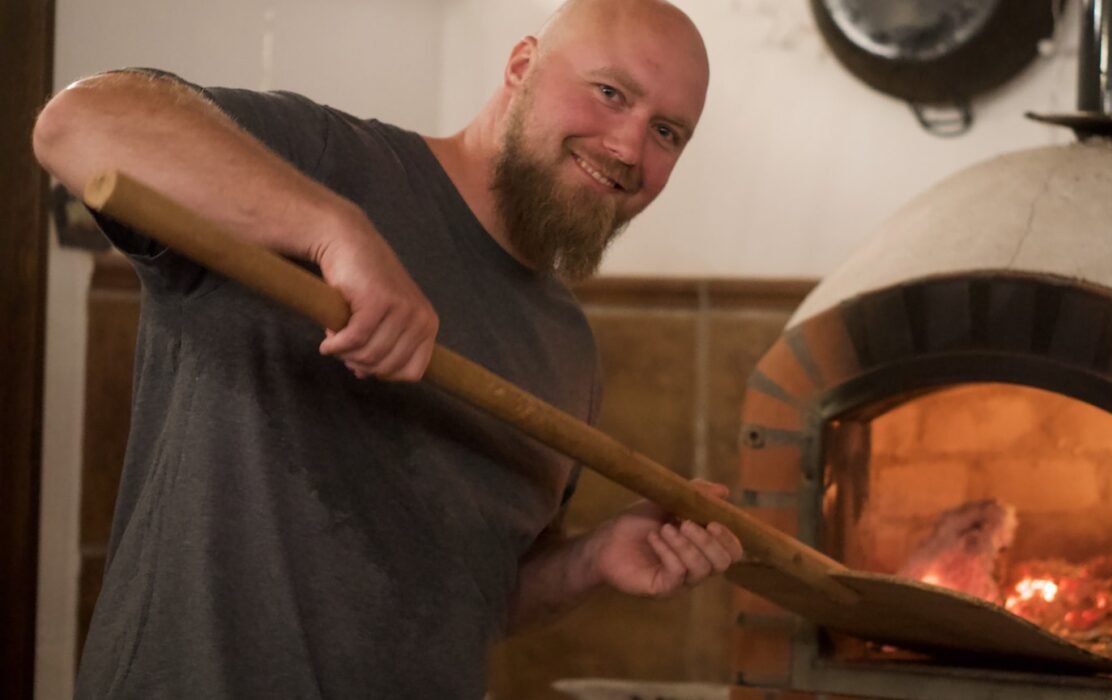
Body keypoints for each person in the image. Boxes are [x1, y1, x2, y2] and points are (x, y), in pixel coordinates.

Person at [32, 0, 742, 697]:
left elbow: (467, 603)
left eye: (668, 132)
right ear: (523, 66)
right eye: (610, 93)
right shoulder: (331, 165)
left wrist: (590, 560)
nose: (628, 148)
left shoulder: (570, 353)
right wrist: (333, 231)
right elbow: (78, 124)